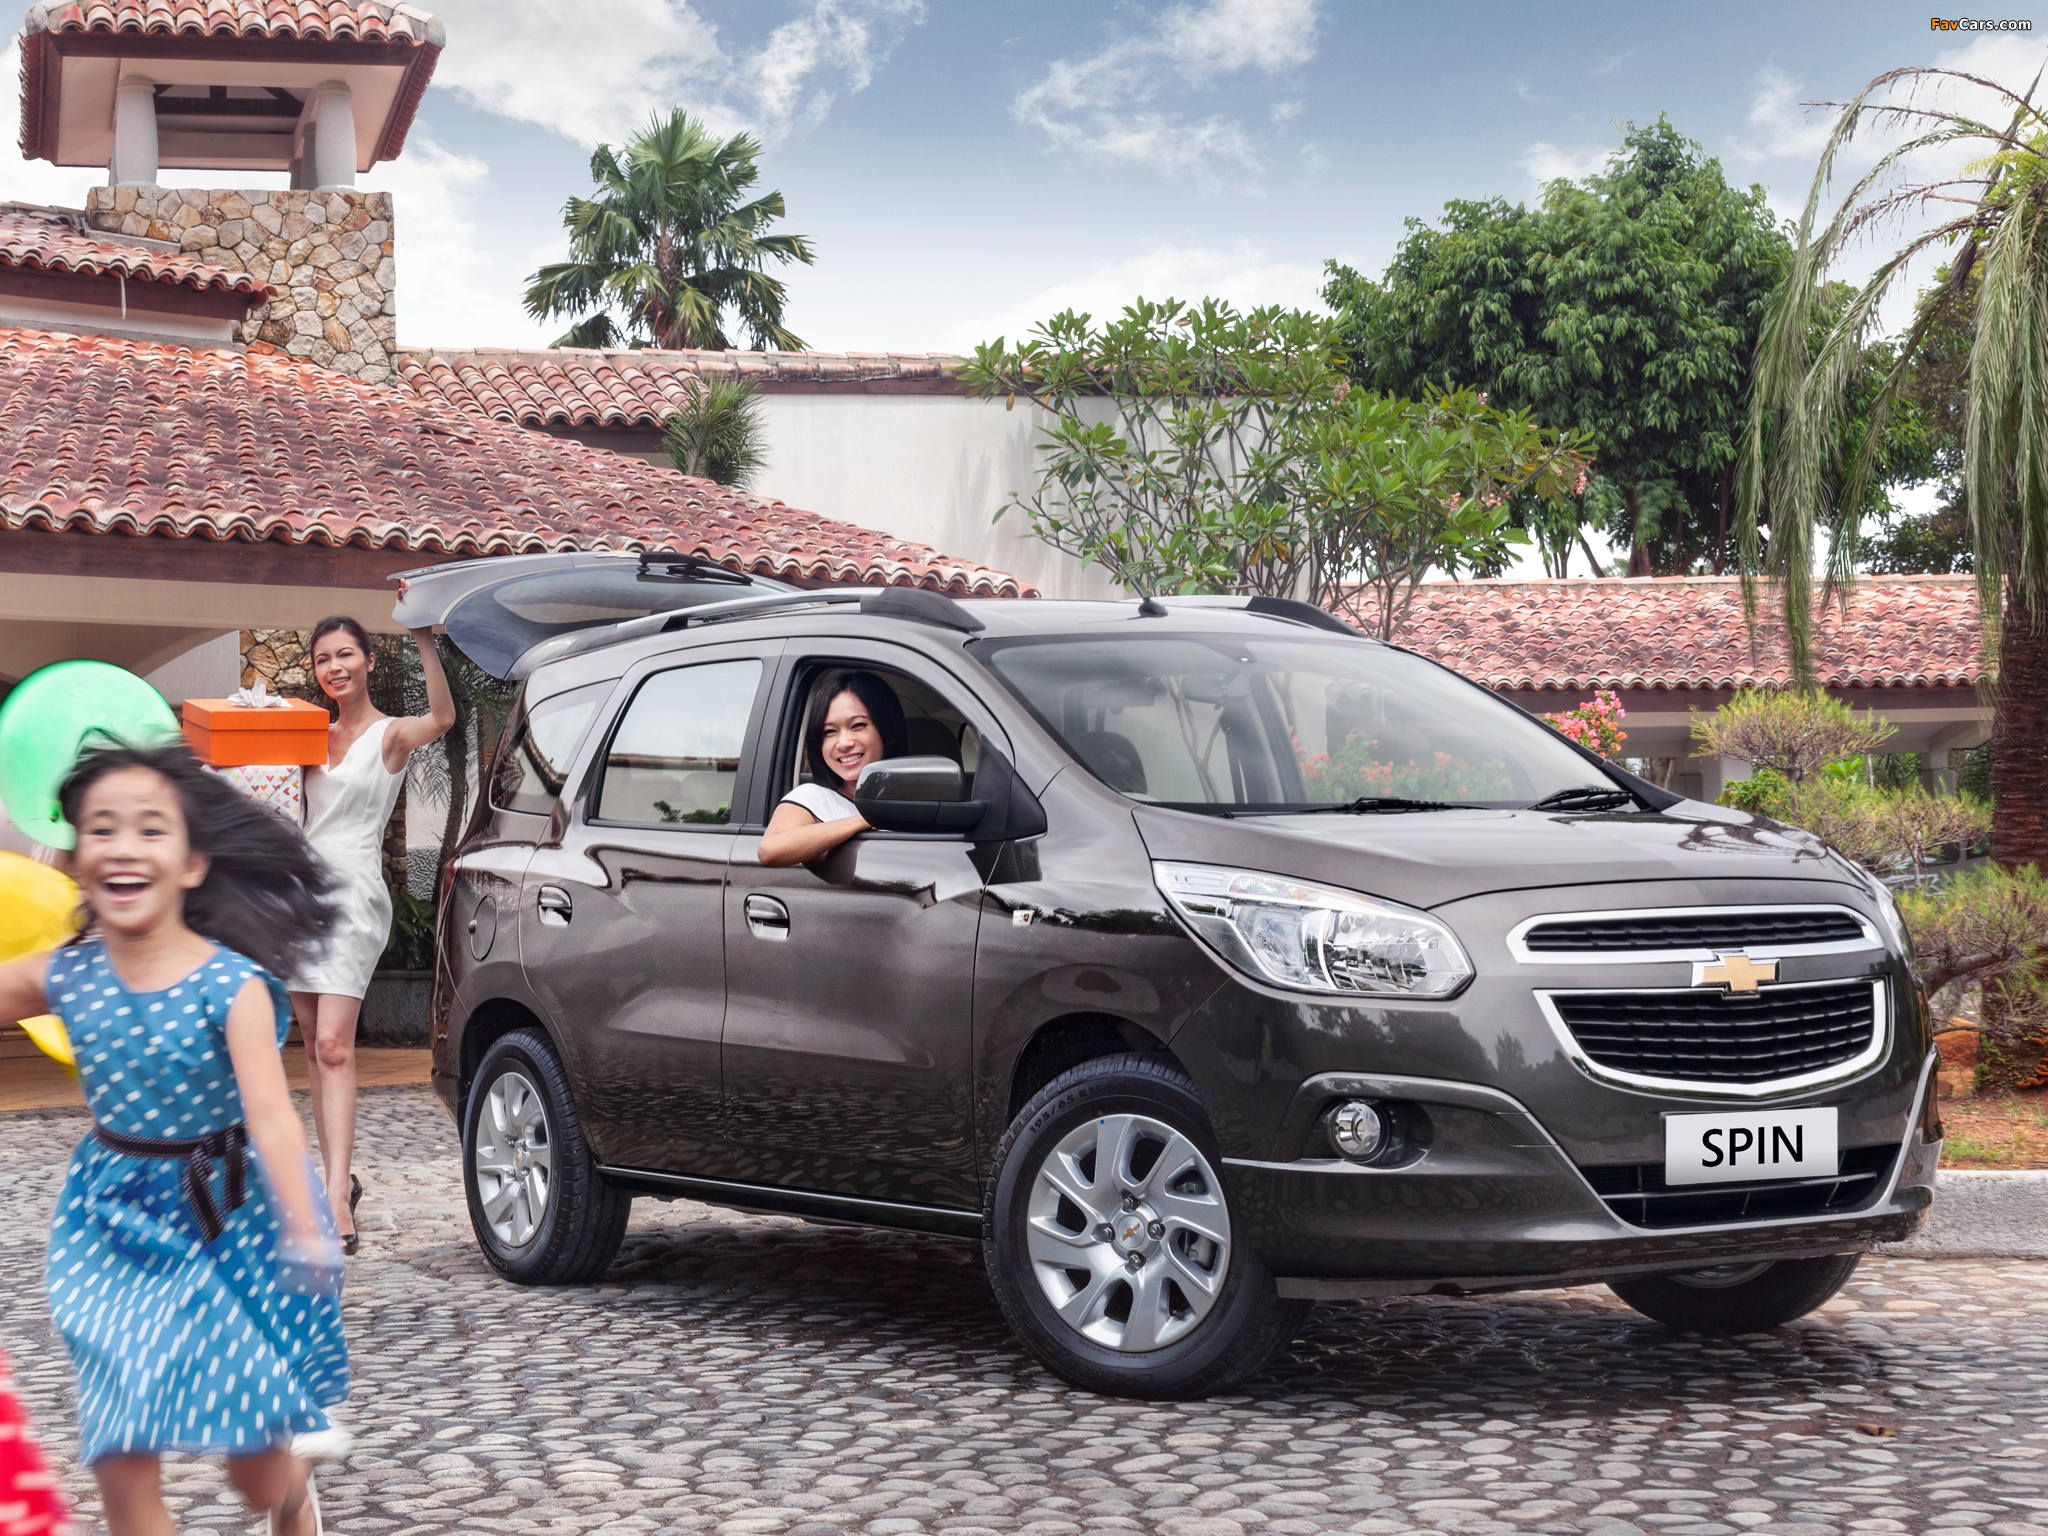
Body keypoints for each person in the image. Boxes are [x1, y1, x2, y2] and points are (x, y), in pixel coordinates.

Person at [0, 743, 348, 1536]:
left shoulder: (232, 987)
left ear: (191, 864)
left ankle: (293, 1495)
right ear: (76, 860)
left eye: (150, 829)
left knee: (257, 1474)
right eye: (101, 829)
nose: (123, 846)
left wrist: (307, 1223)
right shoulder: (67, 975)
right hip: (111, 1224)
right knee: (119, 1453)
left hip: (229, 1225)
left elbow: (272, 1118)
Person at [289, 604, 454, 1255]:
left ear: (368, 660)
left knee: (335, 1044)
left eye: (345, 654)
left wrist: (422, 636)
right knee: (313, 1045)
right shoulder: (307, 736)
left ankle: (335, 1197)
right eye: (323, 659)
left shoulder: (390, 736)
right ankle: (338, 1179)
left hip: (354, 898)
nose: (335, 667)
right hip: (298, 899)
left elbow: (443, 719)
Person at [758, 671, 906, 867]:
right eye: (830, 731)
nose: (843, 743)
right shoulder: (813, 797)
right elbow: (770, 850)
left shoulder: (916, 801)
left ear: (889, 733)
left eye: (857, 725)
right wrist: (865, 820)